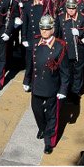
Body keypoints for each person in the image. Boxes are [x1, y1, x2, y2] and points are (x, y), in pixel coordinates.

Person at [24, 14, 70, 155]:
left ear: (52, 29)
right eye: (41, 28)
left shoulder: (60, 46)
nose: (43, 31)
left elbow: (65, 71)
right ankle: (42, 128)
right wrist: (26, 81)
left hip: (52, 86)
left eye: (47, 28)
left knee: (52, 116)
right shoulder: (35, 43)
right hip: (37, 85)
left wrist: (63, 89)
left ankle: (49, 141)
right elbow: (30, 64)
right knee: (36, 110)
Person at [56, 0, 84, 101]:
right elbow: (57, 34)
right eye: (69, 8)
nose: (71, 10)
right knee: (65, 72)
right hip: (64, 50)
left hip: (78, 51)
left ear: (76, 7)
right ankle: (65, 91)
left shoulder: (83, 18)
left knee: (77, 73)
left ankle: (75, 93)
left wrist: (79, 33)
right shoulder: (60, 17)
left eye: (73, 8)